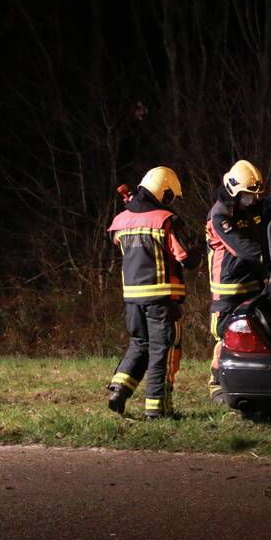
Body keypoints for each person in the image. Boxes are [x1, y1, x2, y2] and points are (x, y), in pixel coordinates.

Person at [106, 166, 201, 418]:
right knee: (162, 350)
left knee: (139, 344)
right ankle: (158, 409)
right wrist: (199, 250)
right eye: (170, 196)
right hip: (161, 298)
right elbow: (184, 257)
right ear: (163, 192)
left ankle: (119, 388)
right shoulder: (164, 220)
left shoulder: (121, 220)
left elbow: (118, 242)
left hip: (132, 299)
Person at [205, 160, 267, 403]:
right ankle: (217, 385)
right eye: (248, 195)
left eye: (256, 195)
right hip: (228, 288)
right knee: (225, 335)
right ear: (233, 190)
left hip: (254, 284)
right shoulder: (219, 215)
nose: (254, 200)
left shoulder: (251, 209)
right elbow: (243, 248)